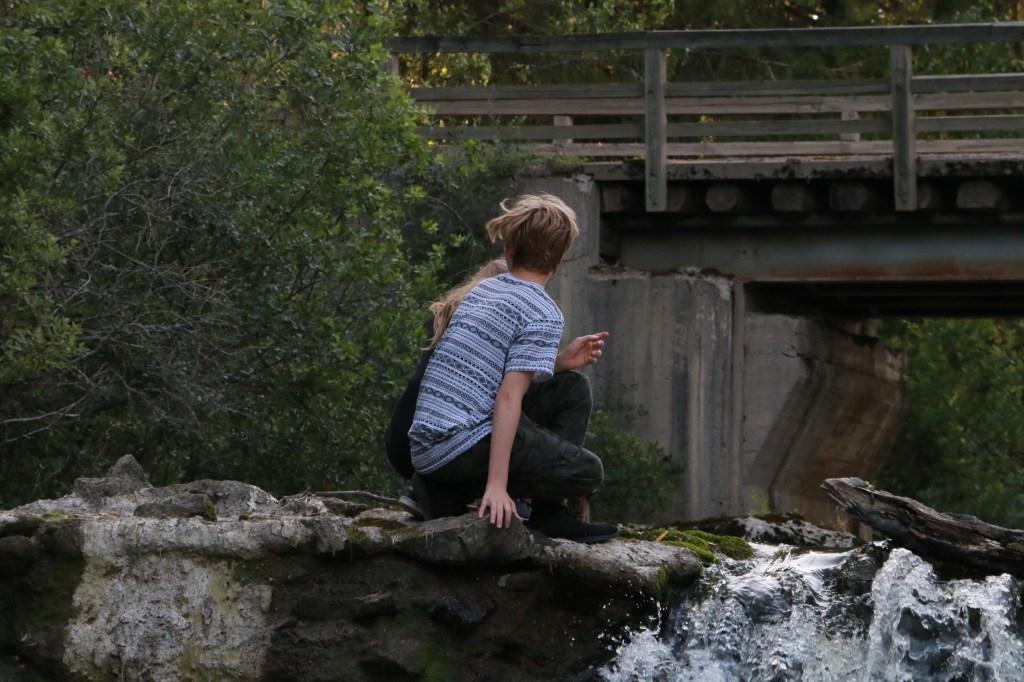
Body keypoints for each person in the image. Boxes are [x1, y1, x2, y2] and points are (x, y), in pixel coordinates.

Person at [407, 193, 618, 543]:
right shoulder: (542, 311)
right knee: (587, 471)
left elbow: (492, 374)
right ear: (560, 257)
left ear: (510, 250)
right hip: (460, 446)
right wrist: (496, 486)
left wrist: (561, 362)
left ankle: (444, 490)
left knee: (572, 387)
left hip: (427, 448)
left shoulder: (485, 289)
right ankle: (543, 512)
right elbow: (507, 397)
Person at [383, 257, 509, 482]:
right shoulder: (486, 333)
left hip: (399, 438)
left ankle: (428, 492)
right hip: (431, 446)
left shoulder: (446, 317)